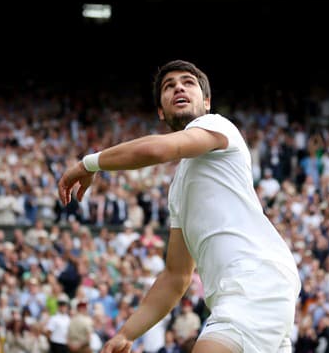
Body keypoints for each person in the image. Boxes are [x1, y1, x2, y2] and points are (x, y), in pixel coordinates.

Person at [58, 59, 301, 353]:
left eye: (188, 82)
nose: (178, 87)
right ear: (161, 111)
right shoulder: (179, 189)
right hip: (246, 293)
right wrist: (126, 334)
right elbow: (176, 276)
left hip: (255, 283)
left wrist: (90, 163)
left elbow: (156, 149)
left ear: (207, 102)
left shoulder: (216, 125)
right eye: (168, 86)